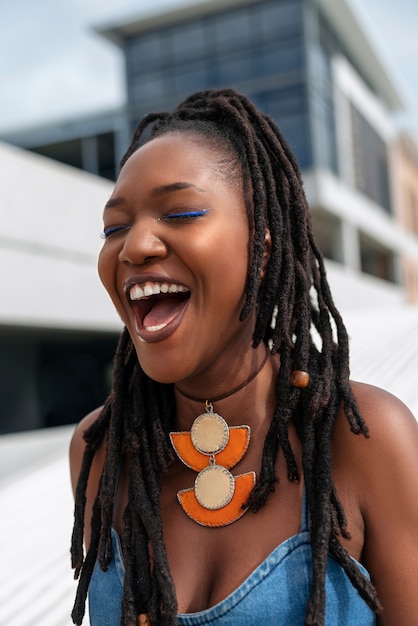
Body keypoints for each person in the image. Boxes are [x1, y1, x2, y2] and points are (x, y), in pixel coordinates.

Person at [69, 88, 418, 626]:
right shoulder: (101, 451)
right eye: (114, 228)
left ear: (263, 250)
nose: (134, 246)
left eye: (180, 212)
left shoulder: (364, 439)